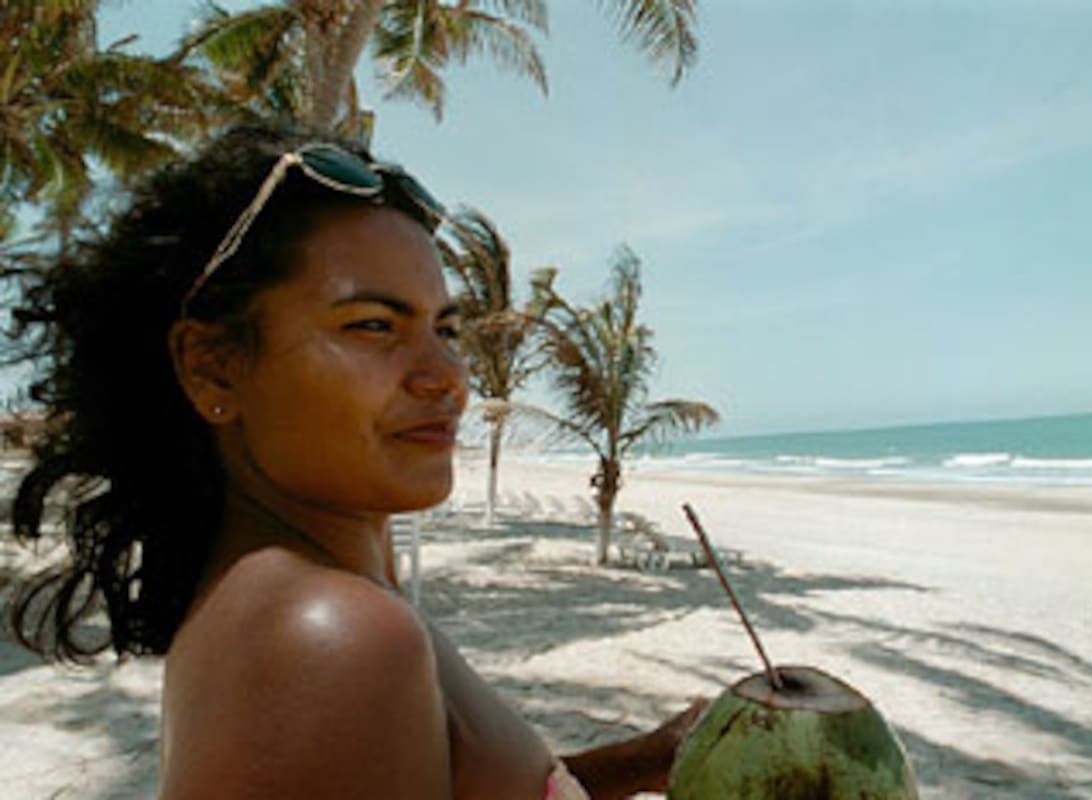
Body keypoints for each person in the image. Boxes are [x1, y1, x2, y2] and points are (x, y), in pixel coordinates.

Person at [4, 127, 703, 799]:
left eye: (446, 329)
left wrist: (645, 760)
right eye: (372, 325)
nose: (447, 376)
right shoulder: (332, 637)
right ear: (213, 367)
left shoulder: (296, 603)